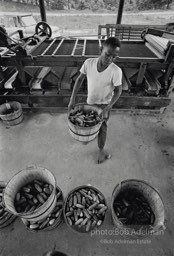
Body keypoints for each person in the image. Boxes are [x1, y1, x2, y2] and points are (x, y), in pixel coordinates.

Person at [68, 37, 122, 164]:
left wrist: (108, 107)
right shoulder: (89, 63)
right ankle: (88, 137)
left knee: (102, 126)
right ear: (101, 49)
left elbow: (118, 91)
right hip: (91, 101)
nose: (109, 59)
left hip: (105, 104)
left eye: (114, 57)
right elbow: (79, 79)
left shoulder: (116, 71)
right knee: (89, 122)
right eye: (107, 55)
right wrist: (72, 99)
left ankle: (101, 149)